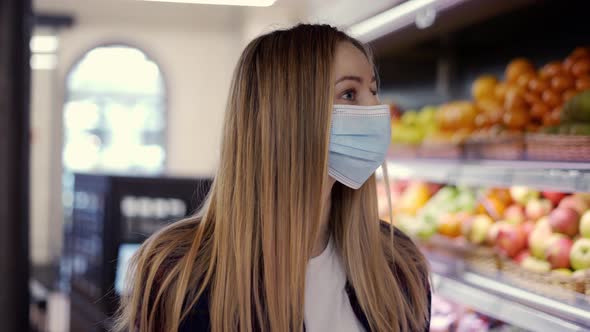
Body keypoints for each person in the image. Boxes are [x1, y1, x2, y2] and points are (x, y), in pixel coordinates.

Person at [115, 24, 431, 332]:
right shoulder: (179, 274)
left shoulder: (398, 264)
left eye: (373, 90)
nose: (377, 109)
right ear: (287, 114)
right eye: (349, 93)